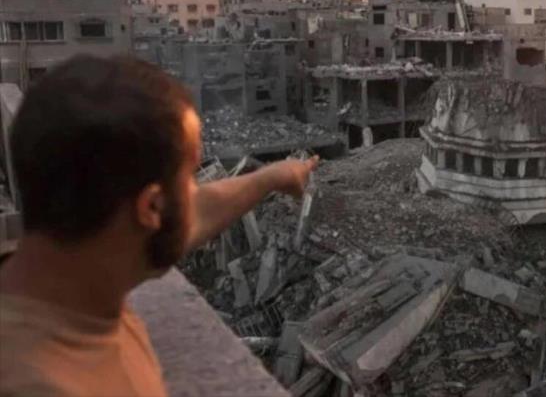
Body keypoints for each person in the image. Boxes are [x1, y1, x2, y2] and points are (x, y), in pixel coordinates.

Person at [0, 54, 318, 397]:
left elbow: (191, 212)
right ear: (151, 208)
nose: (195, 190)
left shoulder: (67, 270)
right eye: (189, 178)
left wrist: (272, 177)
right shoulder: (45, 384)